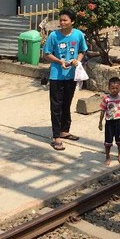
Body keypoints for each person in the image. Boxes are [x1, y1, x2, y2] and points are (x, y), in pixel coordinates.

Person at [44, 9, 88, 151]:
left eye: (65, 20)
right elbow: (46, 53)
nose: (62, 23)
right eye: (60, 20)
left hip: (71, 75)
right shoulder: (53, 36)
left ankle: (64, 130)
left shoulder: (78, 35)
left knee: (66, 104)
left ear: (72, 22)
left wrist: (77, 61)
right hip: (56, 76)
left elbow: (82, 50)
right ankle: (56, 136)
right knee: (56, 106)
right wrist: (59, 61)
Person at [99, 77, 120, 166]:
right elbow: (102, 111)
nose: (114, 90)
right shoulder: (106, 99)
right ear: (109, 88)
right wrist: (100, 122)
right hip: (109, 123)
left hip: (119, 121)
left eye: (116, 88)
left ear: (119, 88)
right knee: (108, 141)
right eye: (112, 88)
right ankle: (107, 157)